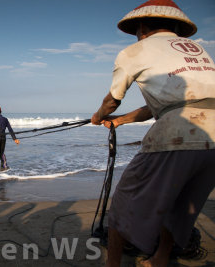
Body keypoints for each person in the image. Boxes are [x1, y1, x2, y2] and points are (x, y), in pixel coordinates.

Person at [90, 1, 215, 267]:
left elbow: (113, 100)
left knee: (123, 201)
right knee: (180, 202)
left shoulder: (135, 51)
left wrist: (99, 116)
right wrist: (120, 122)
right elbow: (162, 105)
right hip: (212, 139)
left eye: (137, 31)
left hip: (179, 134)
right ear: (176, 27)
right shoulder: (197, 49)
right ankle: (160, 258)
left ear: (142, 27)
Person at [0, 106, 20, 170]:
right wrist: (15, 139)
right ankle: (4, 165)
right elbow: (10, 129)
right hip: (3, 136)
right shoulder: (5, 119)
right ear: (0, 112)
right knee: (1, 152)